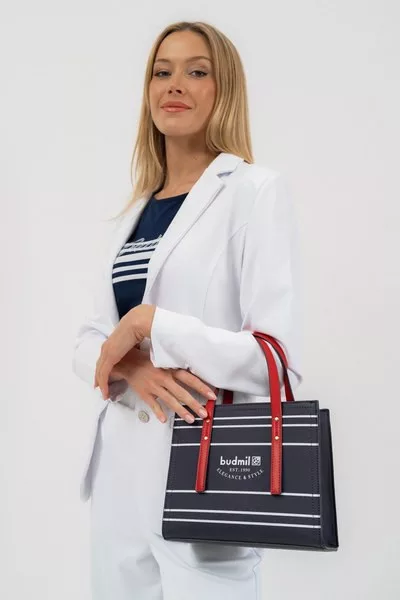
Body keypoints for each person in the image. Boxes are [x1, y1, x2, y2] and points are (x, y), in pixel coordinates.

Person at [72, 19, 303, 600]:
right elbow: (89, 340)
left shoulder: (253, 191)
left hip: (206, 472)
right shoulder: (134, 213)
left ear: (224, 90)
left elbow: (274, 361)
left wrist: (155, 325)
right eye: (162, 71)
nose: (174, 84)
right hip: (120, 476)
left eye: (197, 71)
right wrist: (132, 366)